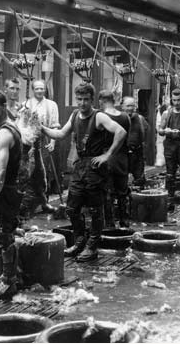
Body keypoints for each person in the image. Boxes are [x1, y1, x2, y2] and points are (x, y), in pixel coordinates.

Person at [41, 83, 126, 262]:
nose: (82, 103)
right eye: (79, 99)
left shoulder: (99, 116)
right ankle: (80, 241)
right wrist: (41, 128)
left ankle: (92, 247)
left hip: (95, 168)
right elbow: (60, 134)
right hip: (80, 167)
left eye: (86, 99)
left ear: (92, 100)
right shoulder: (74, 115)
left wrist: (107, 155)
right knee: (72, 208)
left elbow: (121, 131)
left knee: (95, 210)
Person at [17, 80, 59, 218]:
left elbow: (55, 125)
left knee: (42, 173)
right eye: (37, 89)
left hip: (43, 140)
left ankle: (44, 202)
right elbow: (21, 125)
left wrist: (53, 142)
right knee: (26, 174)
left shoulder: (52, 105)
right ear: (33, 90)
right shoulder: (26, 104)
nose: (40, 91)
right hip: (26, 143)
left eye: (42, 88)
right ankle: (24, 207)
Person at [158, 88, 180, 214]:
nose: (176, 103)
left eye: (179, 100)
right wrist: (165, 131)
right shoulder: (166, 114)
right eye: (174, 100)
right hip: (169, 145)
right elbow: (160, 130)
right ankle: (170, 201)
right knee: (169, 175)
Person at [99, 90, 131, 228]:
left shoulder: (102, 117)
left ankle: (110, 223)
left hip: (107, 157)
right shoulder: (125, 117)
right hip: (122, 158)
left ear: (102, 101)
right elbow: (126, 138)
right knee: (122, 191)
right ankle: (124, 221)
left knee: (108, 192)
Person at [122, 96, 148, 188]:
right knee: (121, 182)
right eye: (128, 106)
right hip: (123, 154)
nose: (130, 108)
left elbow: (144, 135)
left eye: (132, 106)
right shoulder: (119, 119)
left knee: (139, 181)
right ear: (122, 106)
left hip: (137, 154)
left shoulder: (140, 119)